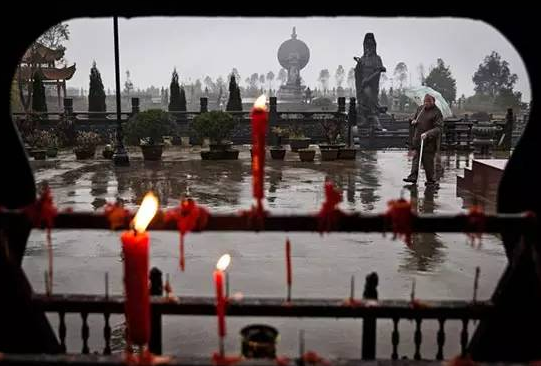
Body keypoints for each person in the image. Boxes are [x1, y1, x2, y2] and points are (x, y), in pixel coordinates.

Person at [403, 94, 443, 186]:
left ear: (433, 102)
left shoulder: (437, 112)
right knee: (416, 159)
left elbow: (438, 128)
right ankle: (413, 176)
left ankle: (431, 180)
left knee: (427, 161)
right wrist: (413, 121)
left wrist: (428, 133)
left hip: (429, 141)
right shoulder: (420, 109)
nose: (426, 103)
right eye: (425, 101)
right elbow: (414, 118)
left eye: (429, 101)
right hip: (417, 139)